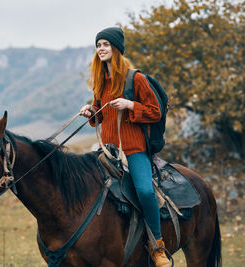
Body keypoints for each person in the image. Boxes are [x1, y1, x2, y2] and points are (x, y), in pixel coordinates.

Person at [80, 27, 171, 267]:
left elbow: (155, 112)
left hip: (134, 150)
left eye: (106, 44)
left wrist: (130, 104)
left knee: (145, 191)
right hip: (107, 151)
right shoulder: (101, 82)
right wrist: (91, 111)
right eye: (98, 44)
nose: (101, 48)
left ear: (117, 49)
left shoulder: (135, 78)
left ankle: (157, 246)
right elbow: (100, 116)